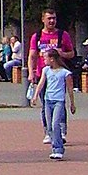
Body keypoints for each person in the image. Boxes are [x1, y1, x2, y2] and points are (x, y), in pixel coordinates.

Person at [28, 11, 75, 144]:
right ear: (43, 19)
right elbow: (32, 56)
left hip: (59, 74)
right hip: (43, 74)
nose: (52, 21)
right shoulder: (37, 36)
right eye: (49, 18)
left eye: (54, 18)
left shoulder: (62, 35)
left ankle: (61, 130)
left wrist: (63, 54)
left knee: (60, 102)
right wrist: (31, 72)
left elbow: (71, 53)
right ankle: (48, 132)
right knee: (46, 105)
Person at [31, 46, 75, 159]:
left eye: (45, 58)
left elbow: (70, 89)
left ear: (52, 59)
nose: (44, 60)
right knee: (49, 125)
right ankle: (54, 148)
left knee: (56, 124)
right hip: (48, 100)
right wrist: (35, 96)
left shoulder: (65, 73)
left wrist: (72, 103)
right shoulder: (46, 70)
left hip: (59, 101)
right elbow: (41, 83)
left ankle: (59, 148)